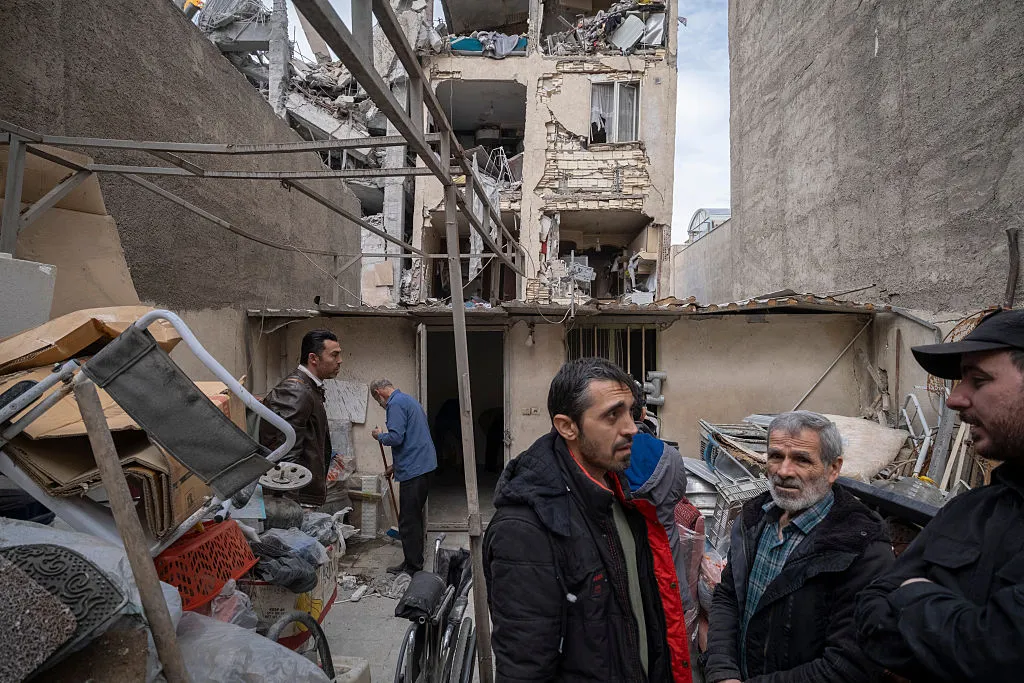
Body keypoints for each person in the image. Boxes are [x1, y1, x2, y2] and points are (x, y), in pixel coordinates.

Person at [483, 357, 691, 682]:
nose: (632, 428)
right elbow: (525, 669)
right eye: (612, 415)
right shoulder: (525, 530)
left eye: (631, 412)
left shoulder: (619, 492)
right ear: (568, 426)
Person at [856, 308, 1024, 682]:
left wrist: (915, 596)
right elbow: (870, 609)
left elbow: (1003, 654)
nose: (954, 399)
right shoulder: (969, 510)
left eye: (978, 380)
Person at [705, 410, 893, 683]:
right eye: (776, 456)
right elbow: (728, 596)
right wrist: (723, 671)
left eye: (802, 460)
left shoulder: (862, 547)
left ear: (833, 469)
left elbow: (848, 666)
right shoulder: (754, 517)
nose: (783, 471)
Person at [259, 329, 342, 507]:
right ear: (313, 358)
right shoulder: (296, 390)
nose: (339, 361)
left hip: (303, 493)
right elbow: (286, 452)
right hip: (297, 499)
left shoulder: (309, 387)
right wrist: (289, 507)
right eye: (334, 355)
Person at [370, 378, 437, 575]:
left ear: (380, 392)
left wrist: (379, 436)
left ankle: (413, 567)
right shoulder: (408, 400)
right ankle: (413, 560)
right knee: (414, 517)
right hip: (422, 466)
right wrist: (395, 466)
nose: (380, 405)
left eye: (378, 400)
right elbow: (413, 438)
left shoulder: (395, 404)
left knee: (408, 521)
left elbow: (396, 437)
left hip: (415, 470)